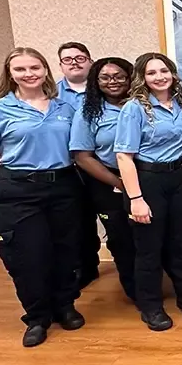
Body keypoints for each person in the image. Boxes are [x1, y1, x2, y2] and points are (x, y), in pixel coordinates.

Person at [0, 47, 86, 347]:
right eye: (21, 69)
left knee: (67, 250)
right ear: (10, 73)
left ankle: (65, 306)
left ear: (45, 70)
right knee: (28, 256)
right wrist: (7, 179)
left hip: (64, 186)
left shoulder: (64, 107)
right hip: (18, 191)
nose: (29, 74)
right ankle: (37, 317)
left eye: (35, 67)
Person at [114, 52, 182, 331]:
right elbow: (124, 157)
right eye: (151, 73)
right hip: (147, 180)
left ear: (173, 73)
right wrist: (136, 200)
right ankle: (151, 306)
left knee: (179, 242)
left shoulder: (180, 105)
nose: (159, 77)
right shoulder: (134, 109)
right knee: (149, 248)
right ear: (142, 78)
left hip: (178, 178)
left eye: (164, 71)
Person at [70, 57, 138, 301]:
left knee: (153, 233)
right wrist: (120, 183)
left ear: (130, 78)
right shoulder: (88, 111)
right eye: (105, 77)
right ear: (95, 82)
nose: (113, 82)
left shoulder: (142, 105)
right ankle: (134, 290)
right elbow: (82, 156)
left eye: (120, 76)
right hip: (109, 181)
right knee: (122, 238)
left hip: (146, 177)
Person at [57, 41, 101, 288]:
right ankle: (86, 266)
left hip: (103, 165)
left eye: (80, 58)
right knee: (77, 220)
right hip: (70, 167)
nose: (74, 62)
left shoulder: (104, 88)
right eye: (68, 59)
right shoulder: (51, 94)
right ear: (61, 65)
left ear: (90, 61)